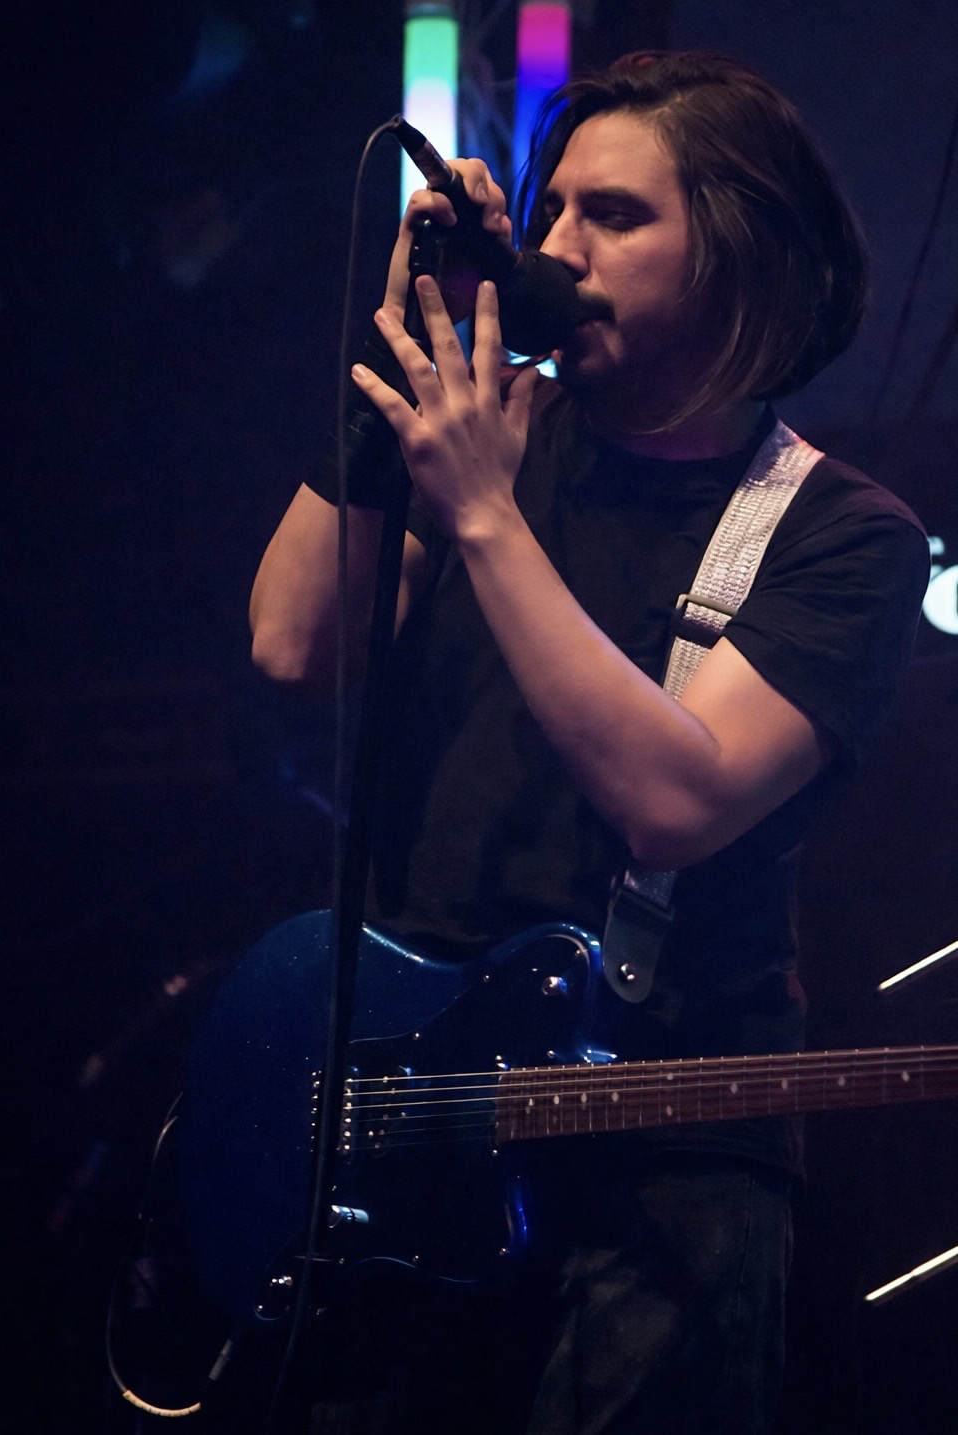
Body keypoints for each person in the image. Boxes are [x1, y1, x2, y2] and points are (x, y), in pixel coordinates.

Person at [249, 50, 928, 1435]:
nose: (557, 247)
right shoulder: (495, 430)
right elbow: (290, 644)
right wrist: (398, 376)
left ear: (740, 254)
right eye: (552, 210)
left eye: (613, 216)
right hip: (410, 1113)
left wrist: (486, 519)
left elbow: (675, 799)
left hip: (664, 1178)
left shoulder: (847, 534)